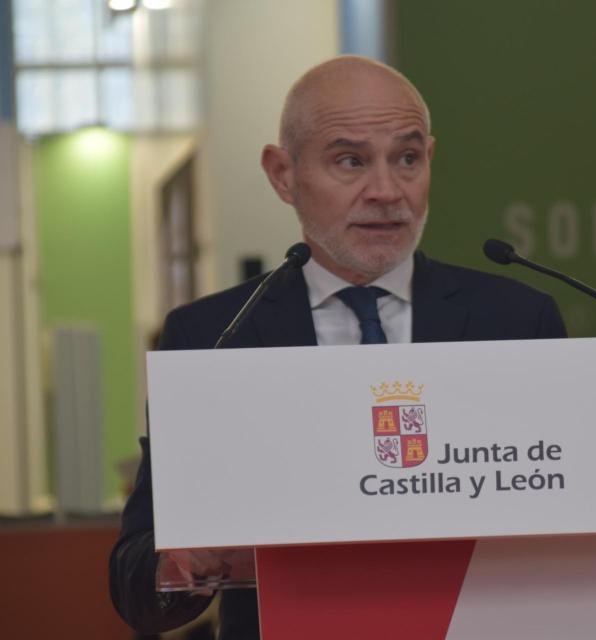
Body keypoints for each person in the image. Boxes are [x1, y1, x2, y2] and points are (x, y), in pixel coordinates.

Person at [109, 56, 567, 639]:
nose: (386, 191)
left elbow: (564, 524)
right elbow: (133, 580)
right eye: (350, 160)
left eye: (407, 158)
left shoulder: (518, 322)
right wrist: (183, 560)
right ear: (282, 174)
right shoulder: (212, 339)